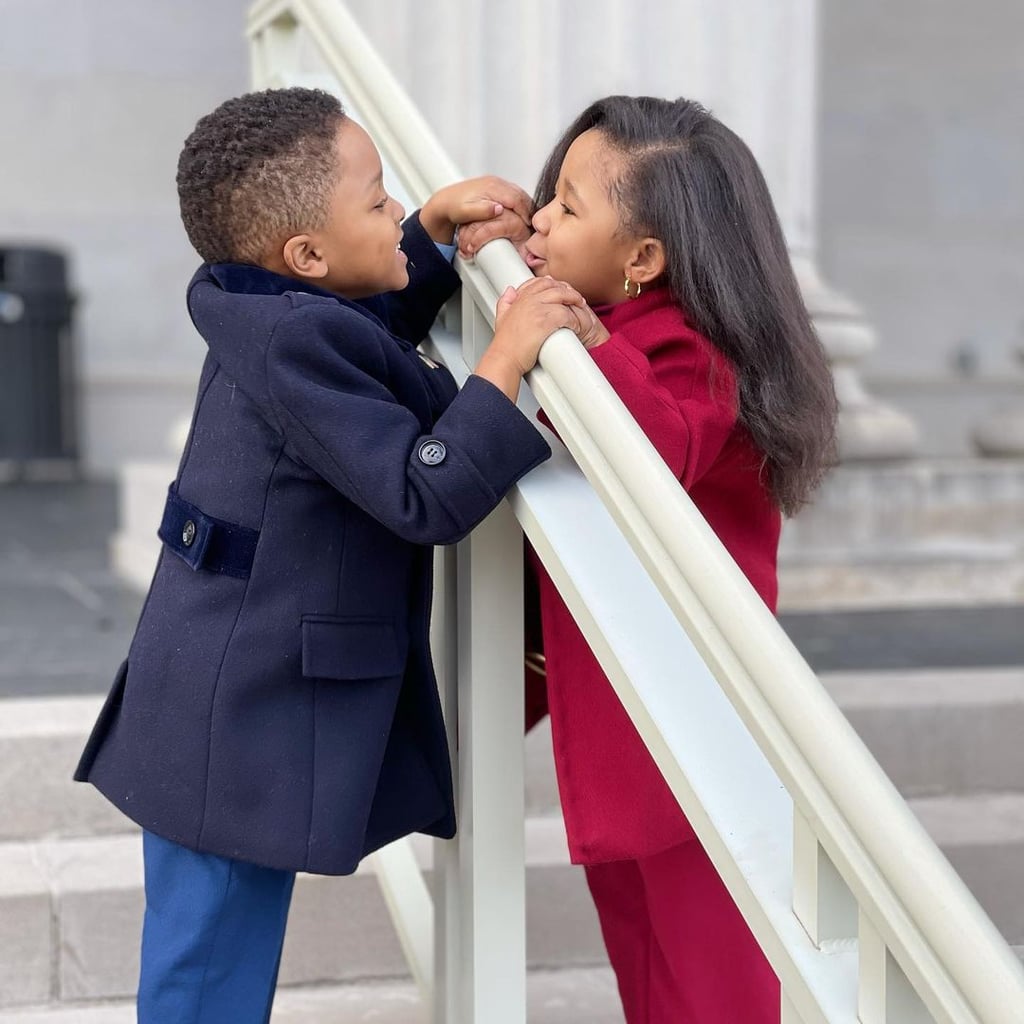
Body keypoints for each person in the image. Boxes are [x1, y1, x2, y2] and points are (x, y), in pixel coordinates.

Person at [73, 86, 592, 1023]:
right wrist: (504, 361)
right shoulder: (295, 336)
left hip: (221, 684)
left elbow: (370, 347)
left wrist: (428, 234)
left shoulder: (273, 305)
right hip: (234, 709)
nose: (396, 207)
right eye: (378, 200)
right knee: (205, 971)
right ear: (308, 256)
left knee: (211, 955)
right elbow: (419, 491)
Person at [459, 95, 838, 1024]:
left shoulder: (694, 350)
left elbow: (660, 449)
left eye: (569, 208)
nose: (542, 219)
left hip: (699, 727)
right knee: (647, 967)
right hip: (633, 723)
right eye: (550, 195)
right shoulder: (621, 320)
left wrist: (577, 337)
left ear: (644, 261)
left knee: (713, 987)